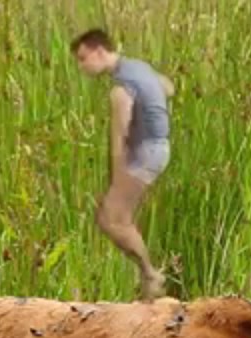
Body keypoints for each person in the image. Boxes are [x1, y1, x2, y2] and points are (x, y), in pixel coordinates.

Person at [71, 28, 174, 300]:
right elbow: (168, 86)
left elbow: (120, 136)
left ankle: (151, 275)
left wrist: (117, 176)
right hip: (159, 147)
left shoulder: (121, 89)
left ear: (99, 51)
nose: (82, 67)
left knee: (111, 218)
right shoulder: (139, 67)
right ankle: (149, 277)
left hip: (145, 152)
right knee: (117, 217)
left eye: (83, 59)